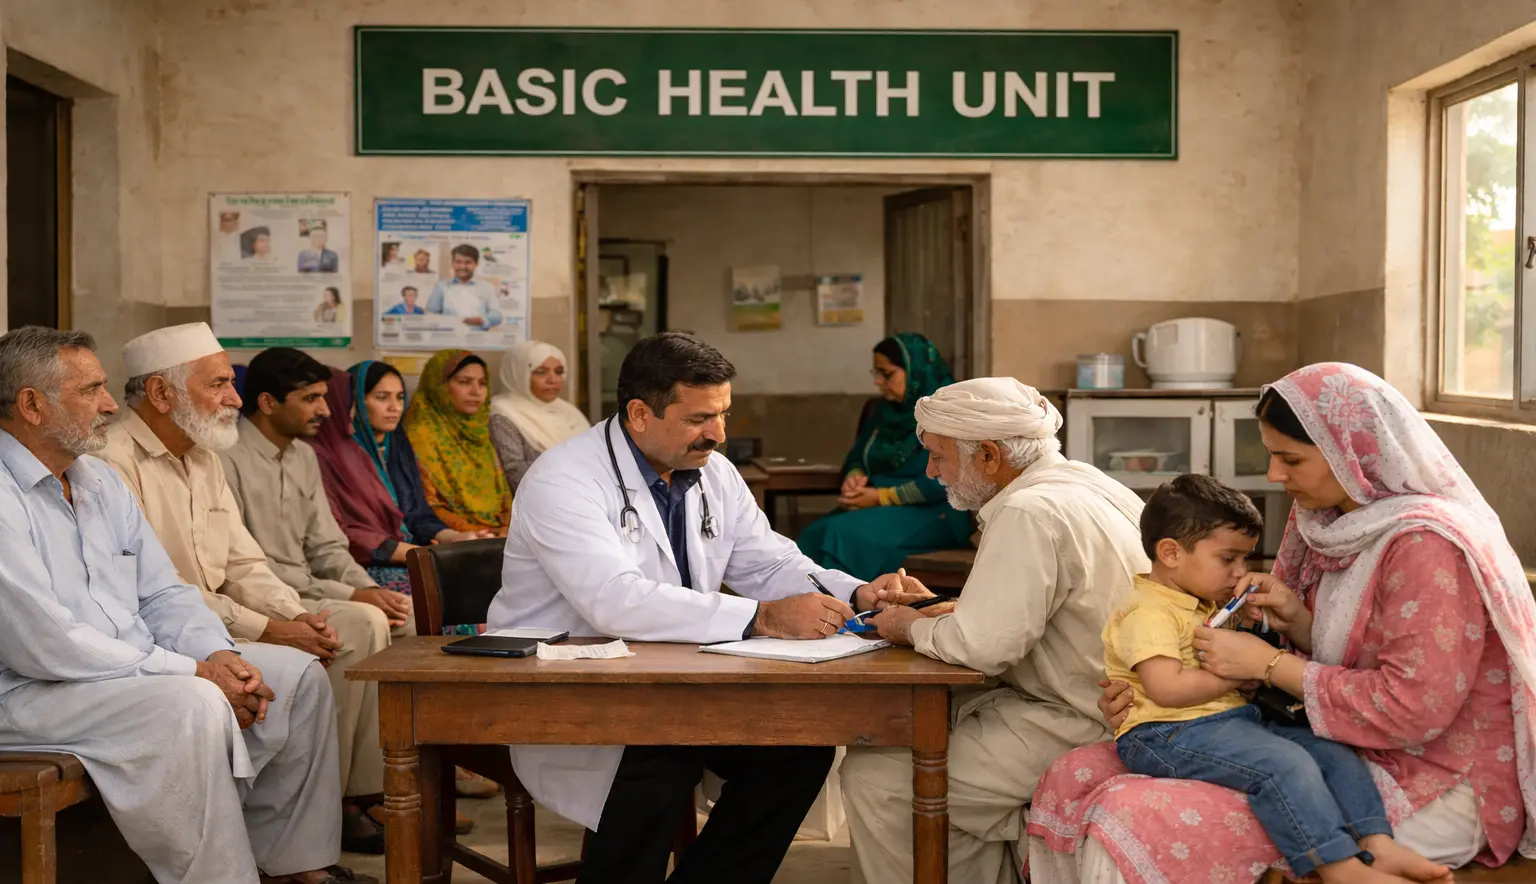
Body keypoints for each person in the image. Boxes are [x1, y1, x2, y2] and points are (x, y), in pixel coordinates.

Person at [1027, 362, 1536, 883]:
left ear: (1351, 452)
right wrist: (1291, 623)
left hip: (1426, 769)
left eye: (1289, 458)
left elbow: (1412, 708)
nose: (1273, 475)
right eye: (1271, 455)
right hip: (1314, 731)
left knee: (1131, 811)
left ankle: (1353, 858)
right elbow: (1322, 653)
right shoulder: (1322, 519)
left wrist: (1267, 665)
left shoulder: (1426, 547)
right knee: (1075, 770)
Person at [487, 332, 902, 884]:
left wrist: (854, 593)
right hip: (575, 683)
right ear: (639, 413)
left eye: (724, 414)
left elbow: (768, 562)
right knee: (661, 755)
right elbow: (614, 600)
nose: (719, 434)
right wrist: (764, 618)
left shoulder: (713, 470)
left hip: (672, 681)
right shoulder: (564, 479)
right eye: (700, 418)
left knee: (796, 754)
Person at [0, 326, 371, 884]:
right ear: (31, 404)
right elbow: (49, 645)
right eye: (92, 390)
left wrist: (219, 654)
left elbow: (164, 591)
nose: (108, 405)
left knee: (296, 678)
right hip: (30, 690)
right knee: (193, 703)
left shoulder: (96, 479)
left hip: (123, 670)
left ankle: (293, 865)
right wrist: (194, 670)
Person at [99, 323, 399, 853]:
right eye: (217, 384)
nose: (234, 398)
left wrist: (296, 617)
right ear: (161, 394)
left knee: (334, 642)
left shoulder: (203, 456)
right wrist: (272, 629)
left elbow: (243, 561)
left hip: (219, 620)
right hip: (163, 635)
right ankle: (276, 842)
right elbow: (155, 592)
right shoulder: (112, 463)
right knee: (301, 667)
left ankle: (305, 846)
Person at [838, 377, 1149, 884]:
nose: (930, 470)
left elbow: (985, 648)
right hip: (1093, 705)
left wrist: (906, 626)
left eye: (939, 456)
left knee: (877, 777)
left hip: (1081, 721)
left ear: (988, 455)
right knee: (903, 737)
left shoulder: (1028, 509)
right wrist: (947, 609)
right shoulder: (1087, 482)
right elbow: (1044, 607)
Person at [1104, 474, 1447, 884]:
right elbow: (1167, 688)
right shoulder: (1147, 612)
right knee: (1284, 764)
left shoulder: (1201, 601)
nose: (1239, 572)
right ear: (1171, 553)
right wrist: (1237, 675)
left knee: (1329, 749)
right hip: (1166, 733)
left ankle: (1379, 844)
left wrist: (1251, 645)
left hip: (1222, 721)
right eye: (1227, 559)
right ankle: (1338, 866)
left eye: (1244, 560)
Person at [221, 348, 414, 633]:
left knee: (411, 615)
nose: (325, 410)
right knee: (367, 622)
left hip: (311, 591)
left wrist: (368, 589)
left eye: (323, 397)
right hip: (261, 597)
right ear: (267, 403)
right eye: (311, 399)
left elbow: (326, 545)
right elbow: (240, 565)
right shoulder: (225, 458)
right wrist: (348, 595)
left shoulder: (303, 456)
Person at [796, 333, 972, 580]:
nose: (878, 382)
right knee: (813, 535)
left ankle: (842, 611)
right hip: (877, 509)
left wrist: (882, 497)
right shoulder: (882, 411)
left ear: (914, 370)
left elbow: (947, 479)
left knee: (840, 535)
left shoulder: (946, 413)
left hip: (935, 510)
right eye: (876, 373)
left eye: (887, 374)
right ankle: (817, 611)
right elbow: (859, 455)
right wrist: (855, 476)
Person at [403, 349, 511, 536]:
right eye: (464, 382)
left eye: (482, 383)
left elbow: (505, 496)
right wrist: (478, 534)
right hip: (452, 540)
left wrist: (508, 529)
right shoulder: (420, 435)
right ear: (440, 385)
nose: (476, 391)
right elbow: (428, 506)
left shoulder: (480, 431)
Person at [489, 339, 590, 494]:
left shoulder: (569, 412)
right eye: (541, 372)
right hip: (545, 503)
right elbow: (515, 474)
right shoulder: (504, 414)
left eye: (559, 371)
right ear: (519, 374)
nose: (553, 380)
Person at [426, 244, 502, 329]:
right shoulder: (441, 286)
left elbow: (497, 315)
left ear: (476, 264)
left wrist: (481, 320)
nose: (463, 266)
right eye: (458, 262)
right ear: (452, 264)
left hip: (477, 339)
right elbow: (431, 314)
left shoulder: (487, 287)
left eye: (468, 262)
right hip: (448, 339)